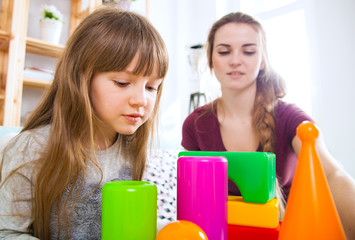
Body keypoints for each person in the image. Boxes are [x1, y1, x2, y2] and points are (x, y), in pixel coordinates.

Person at [181, 12, 355, 239]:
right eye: (224, 51)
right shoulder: (195, 125)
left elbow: (331, 174)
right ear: (211, 60)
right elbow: (194, 200)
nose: (235, 60)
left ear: (262, 60)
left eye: (249, 51)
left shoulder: (291, 118)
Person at [0, 7, 168, 239]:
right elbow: (8, 232)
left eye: (152, 87)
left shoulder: (131, 149)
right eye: (122, 82)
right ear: (80, 78)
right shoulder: (31, 148)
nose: (141, 100)